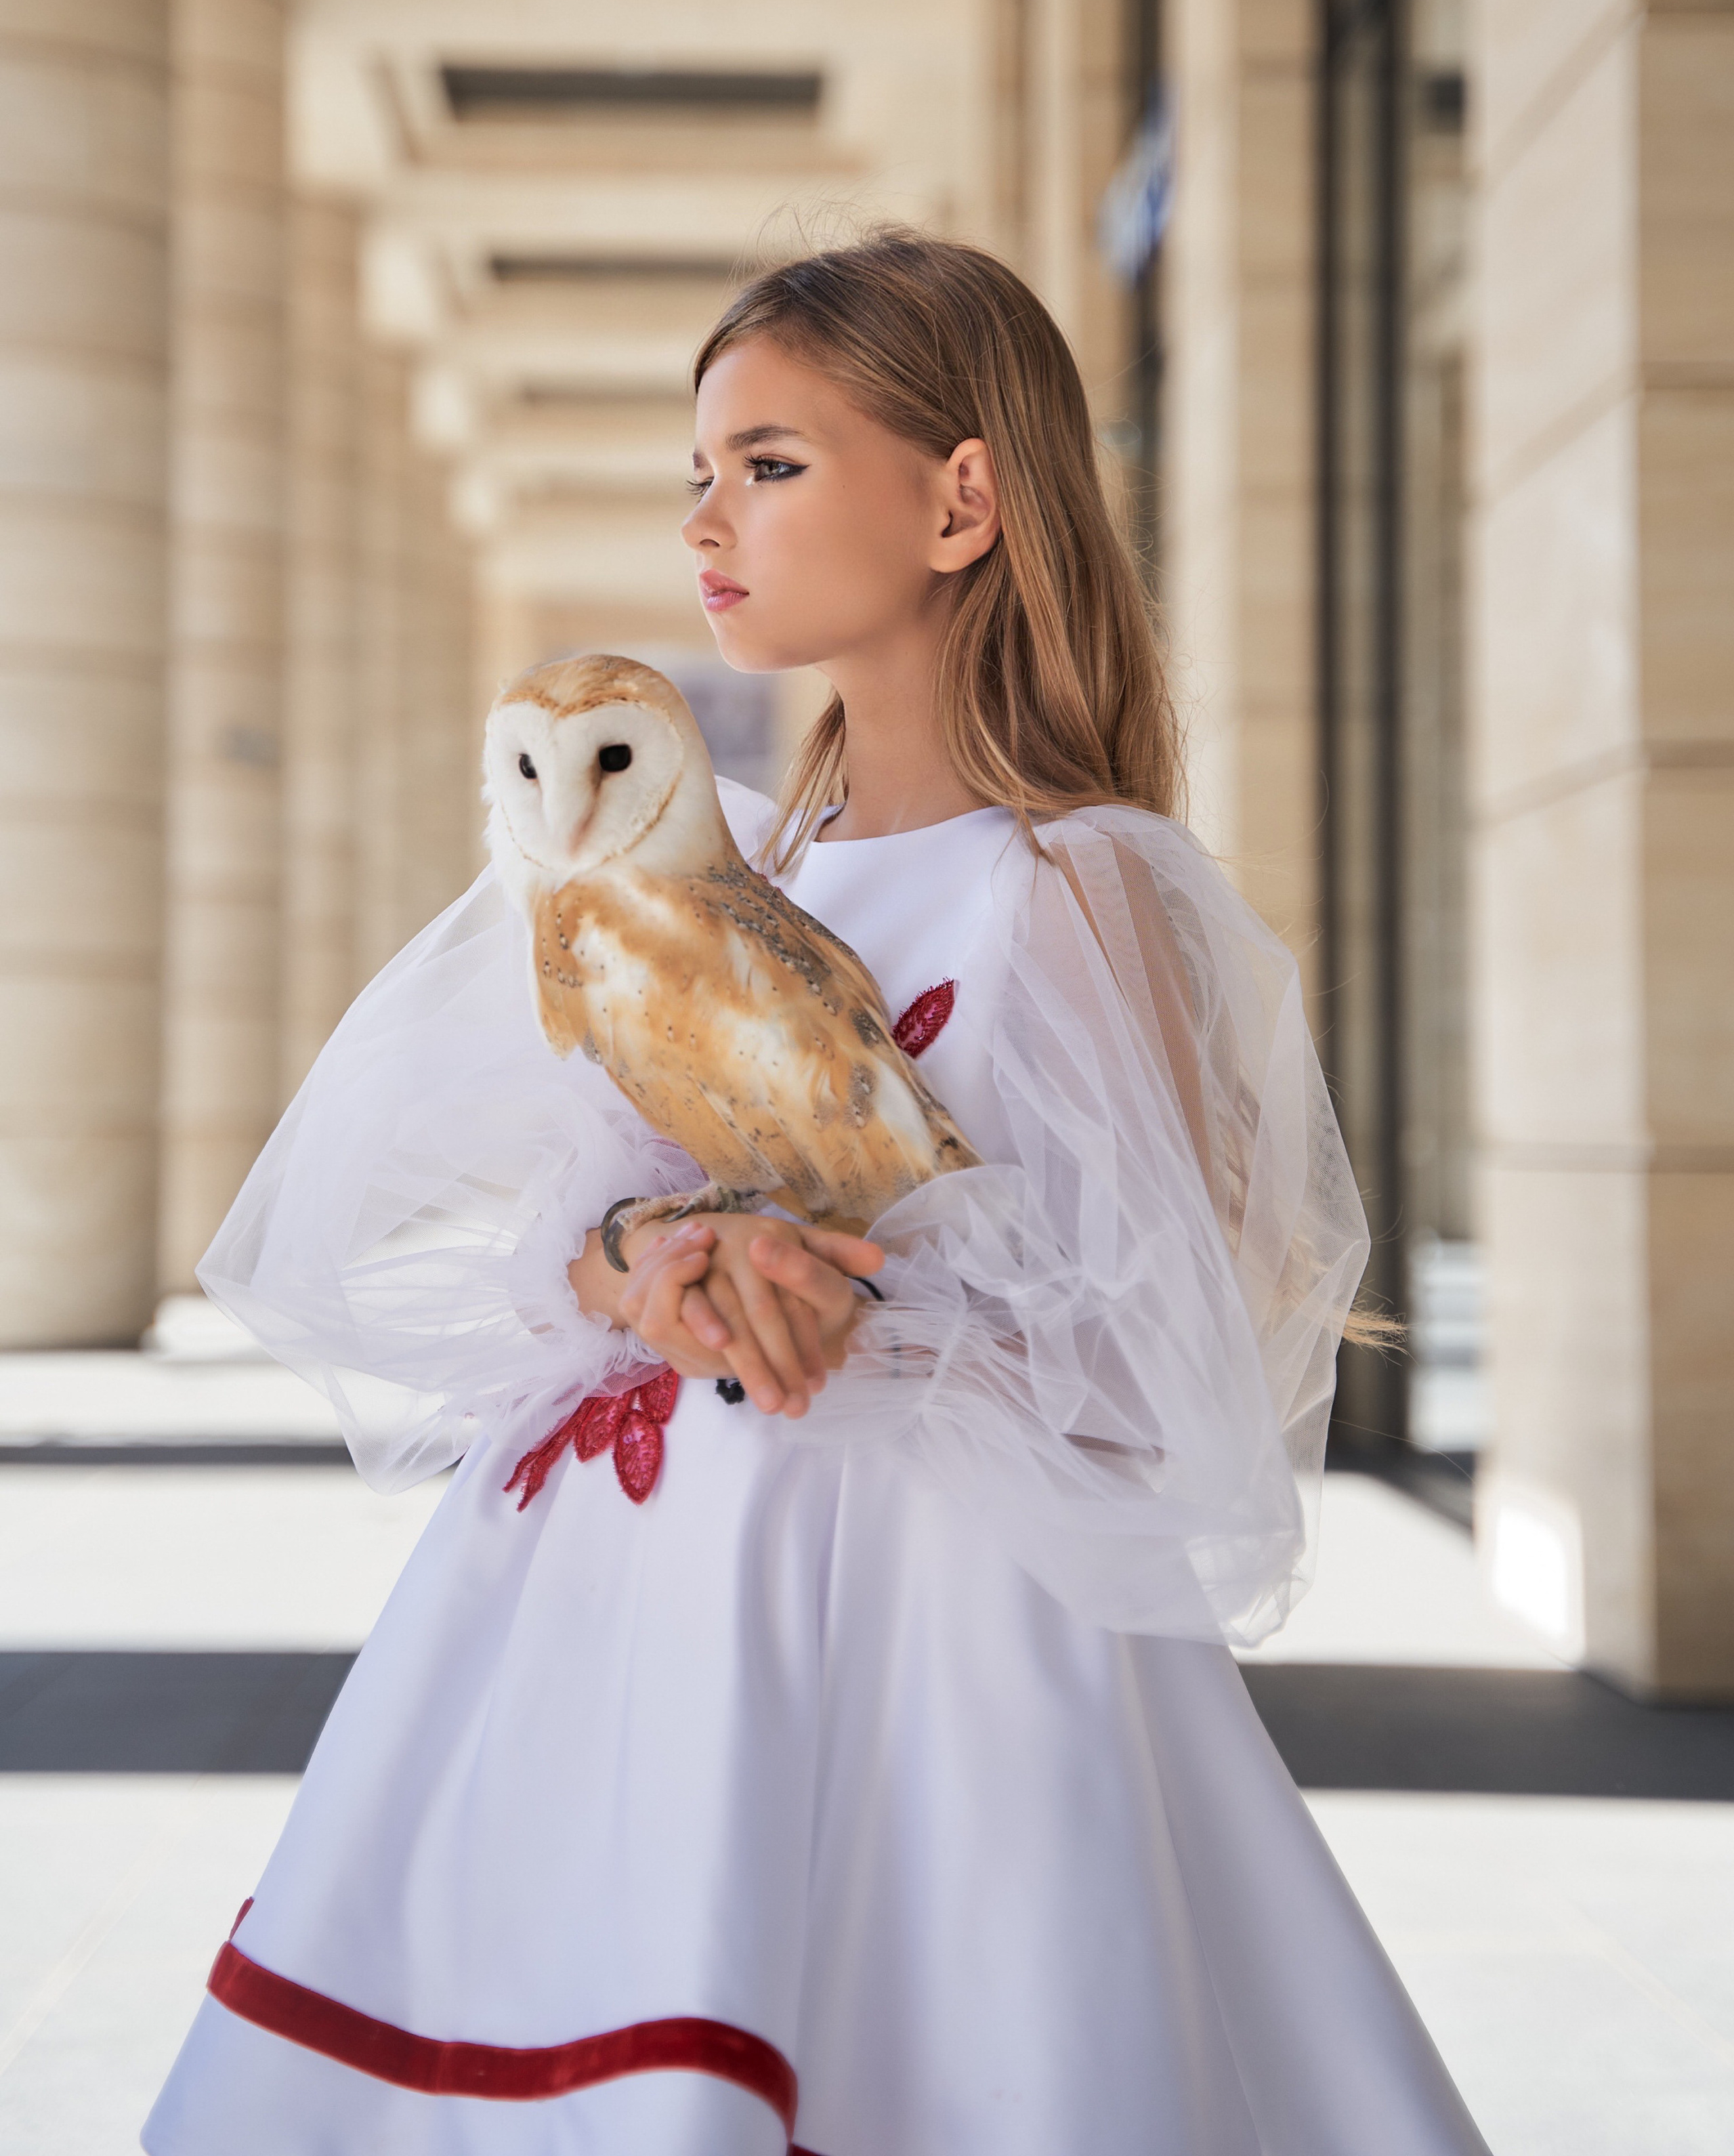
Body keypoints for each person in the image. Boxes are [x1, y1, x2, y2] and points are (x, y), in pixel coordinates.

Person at [145, 233, 1489, 2155]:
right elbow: (569, 1219)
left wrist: (850, 1288)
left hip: (922, 1633)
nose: (712, 518)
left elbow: (1151, 1347)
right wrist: (647, 1263)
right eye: (699, 472)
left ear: (963, 499)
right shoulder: (709, 871)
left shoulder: (1077, 883)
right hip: (605, 1609)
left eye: (770, 464)